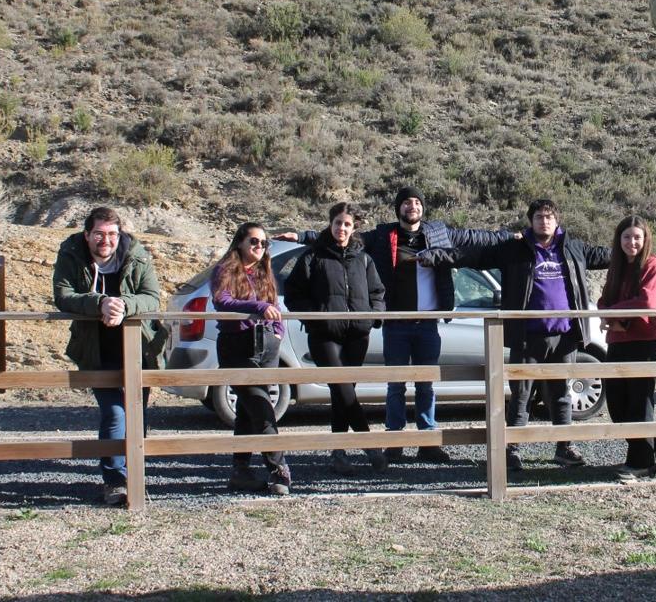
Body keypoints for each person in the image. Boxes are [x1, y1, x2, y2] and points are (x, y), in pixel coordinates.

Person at [278, 186, 513, 463]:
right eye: (406, 203)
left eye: (416, 202)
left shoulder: (438, 234)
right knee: (395, 386)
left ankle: (428, 442)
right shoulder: (382, 236)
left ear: (422, 208)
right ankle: (394, 441)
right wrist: (304, 236)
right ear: (398, 208)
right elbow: (348, 235)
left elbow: (475, 237)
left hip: (428, 323)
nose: (411, 206)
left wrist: (510, 236)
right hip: (395, 324)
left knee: (427, 385)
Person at [418, 198, 610, 471]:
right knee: (521, 395)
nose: (545, 221)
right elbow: (473, 257)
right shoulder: (514, 249)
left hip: (565, 335)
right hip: (526, 336)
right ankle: (512, 450)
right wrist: (437, 256)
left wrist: (638, 251)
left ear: (557, 221)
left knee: (561, 394)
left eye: (549, 217)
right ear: (530, 221)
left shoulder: (573, 248)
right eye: (539, 217)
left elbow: (607, 256)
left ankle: (564, 447)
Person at [52, 206, 164, 506]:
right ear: (87, 234)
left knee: (136, 416)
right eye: (99, 234)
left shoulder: (137, 255)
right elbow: (63, 295)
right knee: (114, 414)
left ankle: (135, 478)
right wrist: (100, 303)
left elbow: (152, 296)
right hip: (95, 349)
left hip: (139, 348)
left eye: (112, 234)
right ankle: (115, 480)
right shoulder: (71, 254)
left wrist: (124, 306)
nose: (106, 240)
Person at [283, 202, 388, 475]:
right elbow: (293, 294)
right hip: (324, 335)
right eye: (338, 223)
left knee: (343, 394)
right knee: (343, 389)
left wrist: (373, 316)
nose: (341, 228)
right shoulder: (313, 256)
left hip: (357, 335)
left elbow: (377, 293)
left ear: (354, 229)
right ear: (330, 224)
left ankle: (338, 453)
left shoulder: (363, 258)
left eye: (347, 224)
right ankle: (371, 446)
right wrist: (315, 315)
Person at [210, 222, 292, 496]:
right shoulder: (225, 270)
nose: (259, 247)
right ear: (240, 243)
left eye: (263, 243)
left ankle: (240, 470)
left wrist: (278, 333)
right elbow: (222, 301)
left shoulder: (263, 272)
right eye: (254, 242)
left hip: (265, 345)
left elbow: (275, 306)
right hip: (237, 345)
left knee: (247, 411)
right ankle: (278, 468)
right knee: (261, 406)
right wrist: (258, 307)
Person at [598, 215, 656, 481]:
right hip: (617, 343)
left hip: (643, 342)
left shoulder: (652, 265)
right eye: (626, 236)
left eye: (636, 237)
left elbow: (646, 301)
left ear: (645, 240)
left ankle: (640, 463)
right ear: (618, 239)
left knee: (639, 403)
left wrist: (614, 316)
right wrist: (611, 317)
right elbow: (603, 300)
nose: (631, 242)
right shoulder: (617, 266)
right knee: (618, 408)